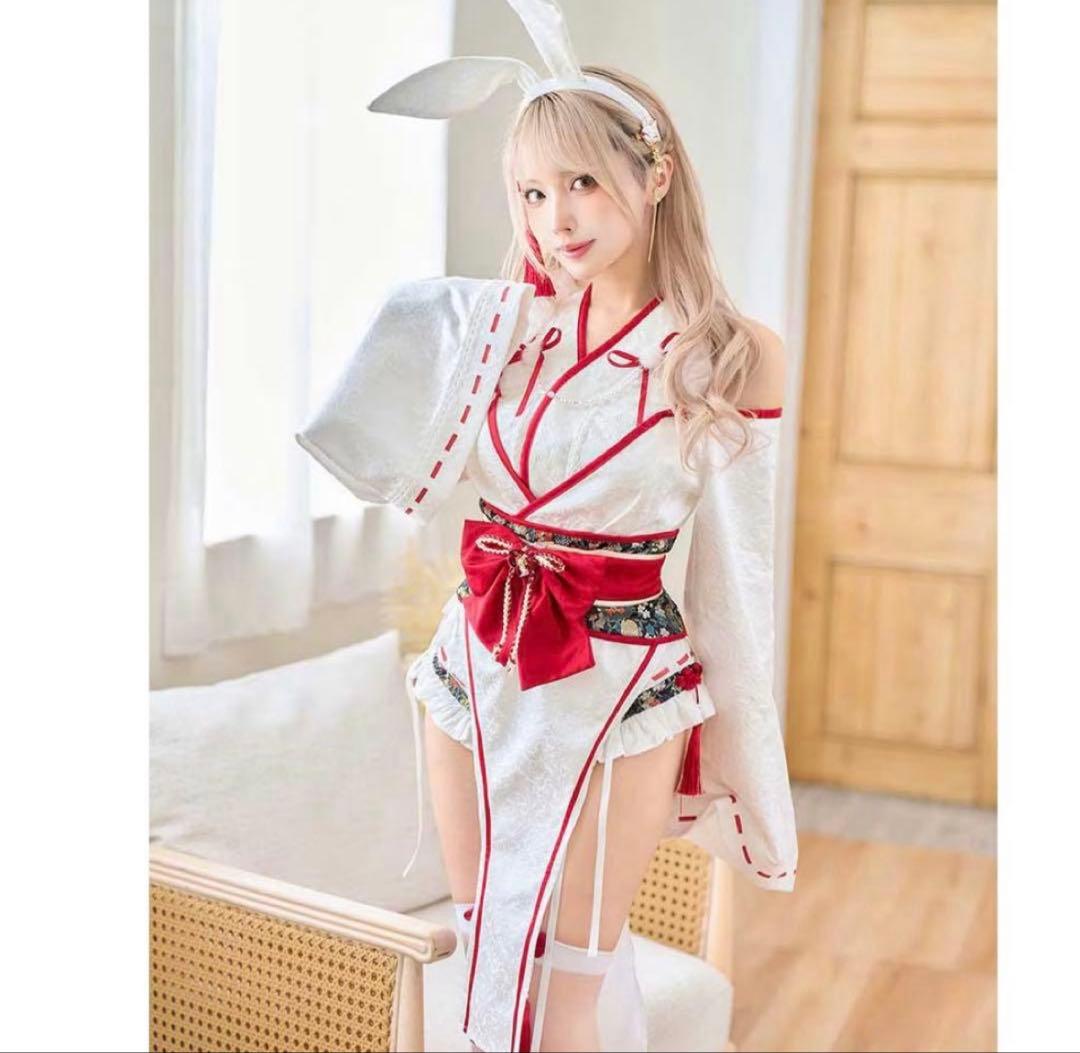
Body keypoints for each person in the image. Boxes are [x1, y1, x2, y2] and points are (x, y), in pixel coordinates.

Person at [295, 3, 798, 1050]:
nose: (555, 218)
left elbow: (737, 569)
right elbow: (390, 447)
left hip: (619, 686)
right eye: (531, 191)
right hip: (469, 671)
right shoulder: (496, 329)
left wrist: (743, 736)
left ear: (654, 177)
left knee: (570, 991)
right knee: (487, 964)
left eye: (581, 183)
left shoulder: (732, 352)